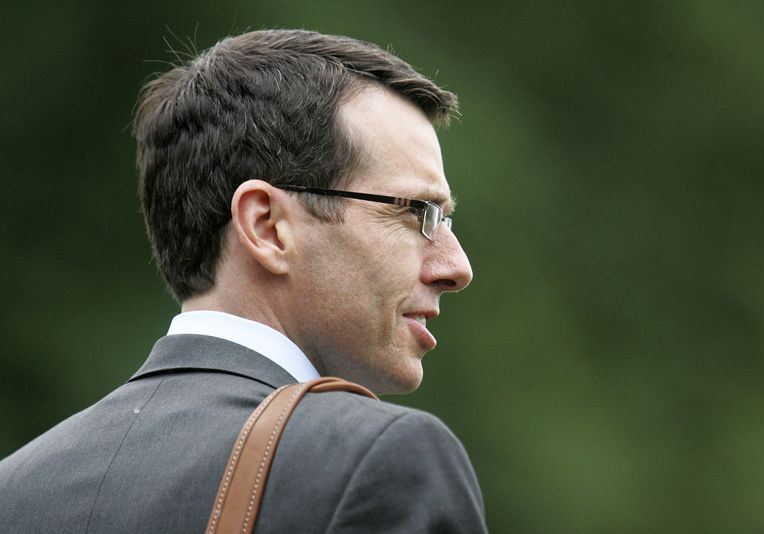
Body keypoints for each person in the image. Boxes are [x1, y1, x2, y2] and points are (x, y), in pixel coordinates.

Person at [0, 29, 486, 532]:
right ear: (267, 227)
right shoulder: (379, 461)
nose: (456, 266)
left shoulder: (13, 489)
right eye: (416, 212)